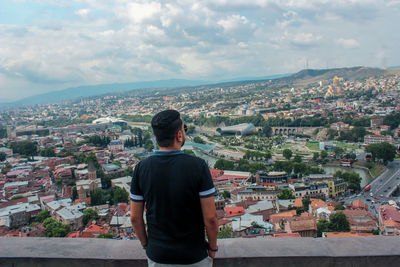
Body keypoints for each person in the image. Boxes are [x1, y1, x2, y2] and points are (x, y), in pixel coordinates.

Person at [130, 109, 218, 266]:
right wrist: (213, 248)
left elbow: (135, 218)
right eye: (184, 129)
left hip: (158, 256)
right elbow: (211, 218)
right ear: (179, 135)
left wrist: (146, 245)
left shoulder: (141, 168)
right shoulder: (198, 166)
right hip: (194, 256)